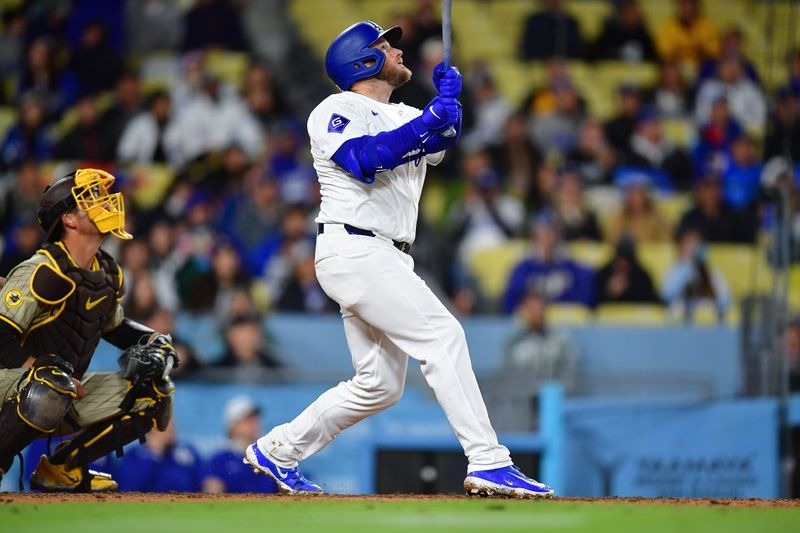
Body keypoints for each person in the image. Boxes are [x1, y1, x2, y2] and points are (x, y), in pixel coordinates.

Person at [243, 21, 553, 499]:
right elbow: (365, 159)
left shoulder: (402, 112)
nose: (396, 49)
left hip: (383, 254)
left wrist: (449, 109)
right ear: (361, 61)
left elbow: (439, 142)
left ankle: (278, 450)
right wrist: (431, 119)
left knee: (379, 386)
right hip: (354, 247)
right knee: (443, 335)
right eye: (384, 46)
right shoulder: (336, 108)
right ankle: (489, 460)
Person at [0, 168, 178, 491]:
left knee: (154, 389)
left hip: (61, 391)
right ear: (68, 219)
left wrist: (154, 340)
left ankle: (62, 468)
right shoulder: (42, 270)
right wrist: (38, 369)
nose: (105, 203)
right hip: (12, 387)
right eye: (92, 198)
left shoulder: (106, 272)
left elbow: (115, 327)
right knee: (52, 381)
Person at [502, 291, 578, 390]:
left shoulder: (561, 339)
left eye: (538, 307)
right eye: (530, 308)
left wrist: (561, 389)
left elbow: (571, 368)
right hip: (523, 397)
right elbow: (508, 374)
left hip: (553, 394)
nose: (535, 312)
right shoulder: (514, 343)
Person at [205, 396, 279, 493]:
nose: (253, 423)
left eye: (255, 418)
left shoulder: (274, 459)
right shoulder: (219, 461)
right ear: (232, 425)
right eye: (247, 419)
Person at [661, 228, 731, 323]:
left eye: (695, 244)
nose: (692, 248)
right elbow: (667, 295)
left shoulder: (713, 272)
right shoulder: (674, 270)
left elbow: (725, 301)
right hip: (680, 322)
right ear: (681, 247)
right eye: (688, 244)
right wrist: (686, 267)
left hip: (709, 322)